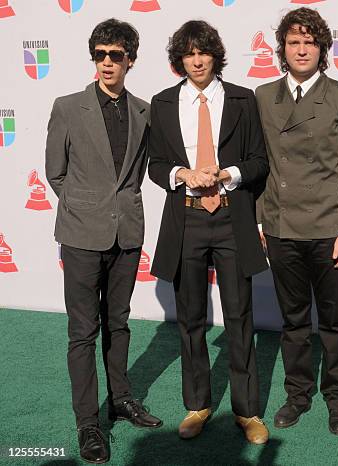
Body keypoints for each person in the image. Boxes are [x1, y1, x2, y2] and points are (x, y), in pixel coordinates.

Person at [45, 18, 162, 464]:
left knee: (119, 322)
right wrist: (85, 207)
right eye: (100, 54)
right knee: (82, 331)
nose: (107, 62)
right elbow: (55, 172)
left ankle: (121, 399)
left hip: (127, 232)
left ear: (130, 59)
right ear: (93, 58)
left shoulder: (145, 110)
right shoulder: (68, 106)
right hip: (80, 233)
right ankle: (88, 423)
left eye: (115, 54)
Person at [147, 20, 269, 445]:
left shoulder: (242, 98)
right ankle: (197, 404)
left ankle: (248, 410)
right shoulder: (162, 103)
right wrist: (181, 173)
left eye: (204, 52)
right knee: (192, 319)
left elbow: (259, 160)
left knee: (240, 316)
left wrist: (228, 173)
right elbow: (155, 164)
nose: (197, 60)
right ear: (179, 59)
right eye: (188, 53)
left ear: (216, 55)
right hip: (186, 219)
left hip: (232, 217)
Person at [255, 7, 338, 436]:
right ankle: (297, 395)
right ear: (282, 49)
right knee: (294, 322)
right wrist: (262, 222)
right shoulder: (263, 96)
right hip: (282, 229)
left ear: (322, 50)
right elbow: (258, 162)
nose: (302, 49)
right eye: (294, 42)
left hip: (328, 230)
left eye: (310, 42)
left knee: (335, 324)